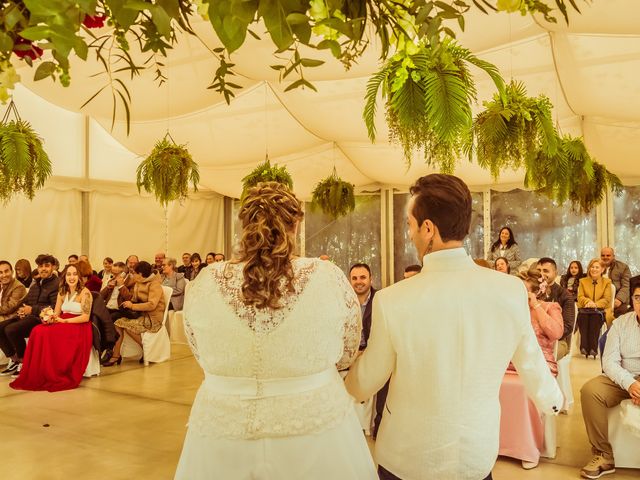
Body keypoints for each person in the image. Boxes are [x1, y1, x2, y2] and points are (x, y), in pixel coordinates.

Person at [345, 174, 562, 480]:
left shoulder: (392, 300)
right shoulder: (510, 291)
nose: (409, 234)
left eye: (409, 224)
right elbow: (531, 361)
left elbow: (366, 381)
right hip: (475, 454)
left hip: (406, 458)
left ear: (428, 228)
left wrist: (343, 379)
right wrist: (554, 401)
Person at [174, 182, 376, 480]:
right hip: (313, 428)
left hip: (224, 428)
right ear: (295, 225)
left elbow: (200, 352)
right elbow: (347, 353)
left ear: (244, 226)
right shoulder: (326, 276)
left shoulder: (205, 281)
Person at [579, 284, 640, 479]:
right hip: (623, 377)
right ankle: (604, 455)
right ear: (632, 300)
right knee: (590, 391)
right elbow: (609, 361)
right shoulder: (621, 323)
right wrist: (630, 383)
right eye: (638, 297)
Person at [10, 264, 93, 391]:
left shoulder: (85, 293)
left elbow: (85, 317)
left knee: (49, 334)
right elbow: (57, 313)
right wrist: (48, 316)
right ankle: (40, 370)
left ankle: (55, 370)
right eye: (69, 274)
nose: (72, 277)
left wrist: (64, 322)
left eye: (75, 274)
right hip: (63, 321)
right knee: (38, 330)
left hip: (79, 325)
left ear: (79, 276)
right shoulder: (62, 291)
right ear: (64, 277)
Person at [0, 254, 59, 377]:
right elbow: (25, 302)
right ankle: (15, 359)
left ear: (53, 267)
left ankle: (25, 362)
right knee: (1, 327)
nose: (43, 269)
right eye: (40, 266)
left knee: (11, 330)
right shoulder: (36, 283)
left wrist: (32, 310)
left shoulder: (56, 284)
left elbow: (54, 308)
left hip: (42, 319)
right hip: (29, 316)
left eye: (46, 266)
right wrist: (21, 310)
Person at [103, 261, 165, 367]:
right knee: (117, 323)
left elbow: (152, 305)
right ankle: (116, 355)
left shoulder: (155, 284)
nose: (132, 275)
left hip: (152, 318)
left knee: (127, 326)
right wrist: (128, 302)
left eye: (134, 273)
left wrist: (132, 306)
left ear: (140, 274)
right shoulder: (138, 282)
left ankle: (147, 350)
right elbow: (133, 299)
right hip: (141, 314)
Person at [349, 263, 382, 437]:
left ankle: (373, 427)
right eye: (354, 278)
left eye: (362, 277)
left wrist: (368, 351)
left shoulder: (380, 299)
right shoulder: (344, 300)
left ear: (371, 279)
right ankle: (351, 427)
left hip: (373, 352)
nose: (358, 282)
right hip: (349, 354)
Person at [510, 270, 563, 376]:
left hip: (541, 361)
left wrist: (536, 306)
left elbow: (557, 333)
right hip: (512, 360)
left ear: (536, 293)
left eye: (522, 290)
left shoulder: (550, 307)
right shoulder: (513, 308)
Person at [537, 257, 576, 361]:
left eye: (546, 271)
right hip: (534, 339)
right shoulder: (532, 291)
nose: (541, 274)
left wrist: (545, 335)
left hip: (559, 341)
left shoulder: (565, 295)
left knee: (540, 357)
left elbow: (567, 327)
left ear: (555, 273)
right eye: (538, 270)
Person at [577, 259, 613, 359]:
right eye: (592, 267)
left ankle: (593, 349)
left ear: (602, 269)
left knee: (595, 319)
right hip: (585, 309)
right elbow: (580, 297)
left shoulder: (607, 282)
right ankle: (584, 347)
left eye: (597, 267)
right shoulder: (582, 281)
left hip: (599, 311)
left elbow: (607, 299)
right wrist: (588, 302)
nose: (594, 269)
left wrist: (595, 304)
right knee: (583, 318)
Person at [600, 247, 631, 317]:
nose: (605, 257)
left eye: (608, 255)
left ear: (613, 256)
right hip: (601, 300)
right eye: (603, 255)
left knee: (622, 313)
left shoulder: (623, 267)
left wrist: (619, 299)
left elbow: (627, 285)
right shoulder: (596, 267)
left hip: (618, 299)